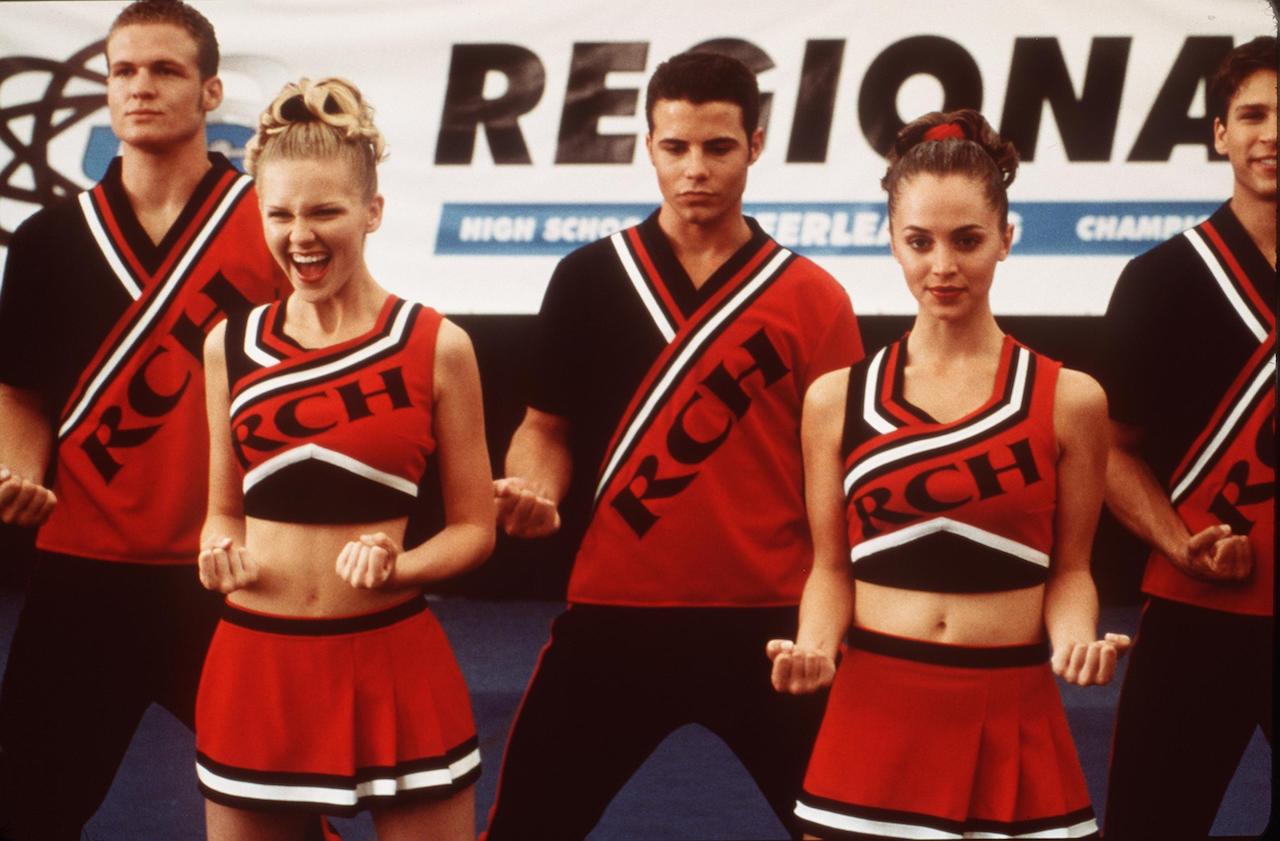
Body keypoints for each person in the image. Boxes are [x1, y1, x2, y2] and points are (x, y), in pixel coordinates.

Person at [485, 50, 863, 839]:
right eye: (675, 147)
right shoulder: (587, 278)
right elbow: (544, 430)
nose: (696, 169)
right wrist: (534, 487)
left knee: (857, 831)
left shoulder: (813, 299)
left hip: (771, 627)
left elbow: (845, 480)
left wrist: (828, 630)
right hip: (615, 620)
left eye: (718, 148)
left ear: (755, 145)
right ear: (647, 146)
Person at [767, 109, 1129, 840]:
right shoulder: (835, 399)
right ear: (892, 243)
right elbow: (831, 568)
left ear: (1006, 239)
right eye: (919, 241)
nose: (943, 266)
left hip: (1014, 708)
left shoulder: (1071, 399)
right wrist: (813, 644)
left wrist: (1073, 639)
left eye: (967, 240)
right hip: (874, 713)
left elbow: (1070, 571)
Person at [0, 2, 288, 838]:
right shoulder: (51, 237)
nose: (140, 87)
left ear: (211, 92)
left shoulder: (274, 223)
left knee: (289, 806)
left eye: (164, 70)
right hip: (81, 573)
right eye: (123, 71)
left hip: (231, 573)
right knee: (28, 810)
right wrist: (18, 471)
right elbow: (21, 394)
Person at [193, 76, 493, 841]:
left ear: (373, 211)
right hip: (256, 665)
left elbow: (474, 529)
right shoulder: (229, 345)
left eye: (325, 210)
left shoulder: (438, 345)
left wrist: (406, 566)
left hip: (393, 659)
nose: (301, 235)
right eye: (281, 213)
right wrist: (216, 550)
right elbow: (224, 510)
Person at [1099, 36, 1275, 839]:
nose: (1272, 134)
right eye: (1253, 114)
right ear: (1220, 134)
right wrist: (1178, 541)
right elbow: (1110, 446)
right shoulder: (1162, 279)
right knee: (1151, 824)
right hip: (1198, 609)